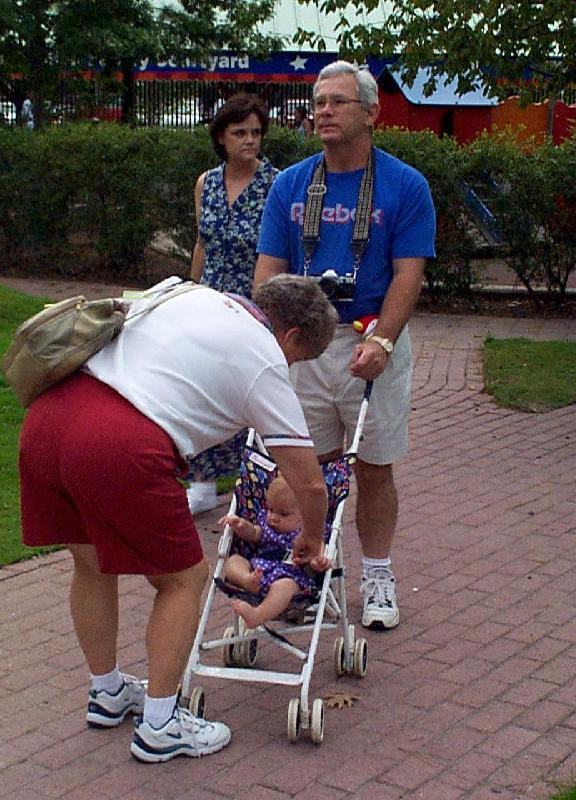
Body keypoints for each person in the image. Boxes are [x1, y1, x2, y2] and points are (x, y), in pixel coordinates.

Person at [18, 274, 338, 763]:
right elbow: (311, 483)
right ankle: (161, 725)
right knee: (183, 581)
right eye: (298, 358)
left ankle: (106, 693)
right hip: (119, 441)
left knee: (89, 565)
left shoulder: (190, 293)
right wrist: (312, 538)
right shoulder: (265, 355)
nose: (290, 367)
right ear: (292, 336)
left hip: (49, 417)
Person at [254, 61, 436, 632]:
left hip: (368, 341)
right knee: (313, 468)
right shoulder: (290, 185)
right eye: (318, 102)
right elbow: (268, 273)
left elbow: (409, 274)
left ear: (371, 113)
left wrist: (383, 338)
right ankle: (315, 571)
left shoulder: (405, 185)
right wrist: (273, 338)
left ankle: (378, 575)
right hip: (304, 347)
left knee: (374, 469)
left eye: (337, 101)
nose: (323, 111)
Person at [189, 93, 278, 514]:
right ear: (221, 137)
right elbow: (202, 242)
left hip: (253, 300)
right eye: (240, 132)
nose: (249, 141)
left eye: (256, 132)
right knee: (204, 386)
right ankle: (202, 480)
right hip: (209, 297)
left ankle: (253, 482)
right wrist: (189, 292)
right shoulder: (206, 183)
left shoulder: (275, 184)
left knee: (248, 392)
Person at [220, 476, 330, 628]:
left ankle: (257, 615)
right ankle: (247, 580)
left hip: (290, 574)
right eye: (270, 510)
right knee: (233, 561)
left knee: (284, 586)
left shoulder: (309, 534)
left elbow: (319, 552)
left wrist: (318, 562)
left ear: (306, 516)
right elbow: (254, 534)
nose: (273, 518)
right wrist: (241, 525)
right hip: (258, 570)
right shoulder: (267, 526)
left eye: (283, 514)